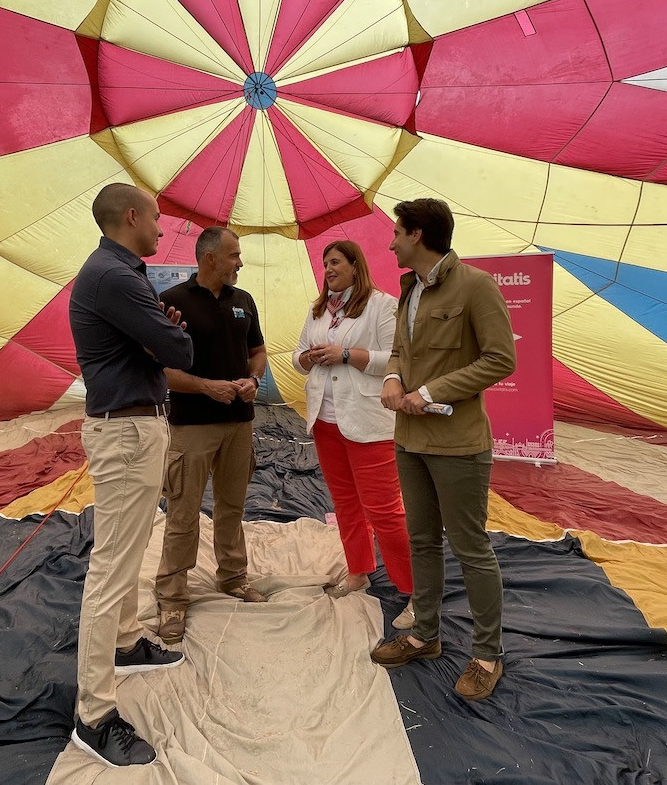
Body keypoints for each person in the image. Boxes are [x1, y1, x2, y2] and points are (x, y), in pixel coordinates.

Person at [67, 182, 194, 767]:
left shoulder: (117, 274)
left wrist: (158, 336)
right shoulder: (115, 277)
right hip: (125, 433)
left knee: (128, 549)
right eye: (158, 218)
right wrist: (164, 336)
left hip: (135, 426)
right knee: (112, 566)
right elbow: (177, 350)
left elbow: (157, 342)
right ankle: (93, 714)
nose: (163, 229)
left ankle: (124, 645)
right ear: (132, 216)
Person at [372, 198, 516, 702]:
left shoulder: (477, 286)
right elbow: (399, 351)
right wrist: (392, 377)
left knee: (471, 547)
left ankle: (486, 654)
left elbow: (501, 358)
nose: (389, 242)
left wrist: (429, 392)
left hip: (457, 443)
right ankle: (423, 635)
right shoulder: (408, 290)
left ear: (416, 235)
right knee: (422, 540)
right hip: (409, 439)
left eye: (396, 232)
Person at [291, 240, 415, 628]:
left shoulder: (381, 305)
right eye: (325, 263)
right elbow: (296, 359)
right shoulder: (317, 311)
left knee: (384, 511)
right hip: (326, 421)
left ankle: (417, 593)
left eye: (336, 263)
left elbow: (396, 360)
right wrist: (308, 357)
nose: (328, 269)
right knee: (345, 503)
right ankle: (359, 570)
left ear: (355, 266)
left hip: (367, 422)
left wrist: (346, 355)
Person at [155, 226, 269, 645]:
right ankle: (171, 595)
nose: (240, 262)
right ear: (210, 259)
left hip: (240, 423)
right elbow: (161, 369)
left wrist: (253, 380)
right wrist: (207, 386)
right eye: (234, 255)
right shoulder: (172, 302)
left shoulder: (244, 301)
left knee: (232, 506)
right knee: (183, 511)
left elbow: (258, 353)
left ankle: (233, 577)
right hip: (191, 426)